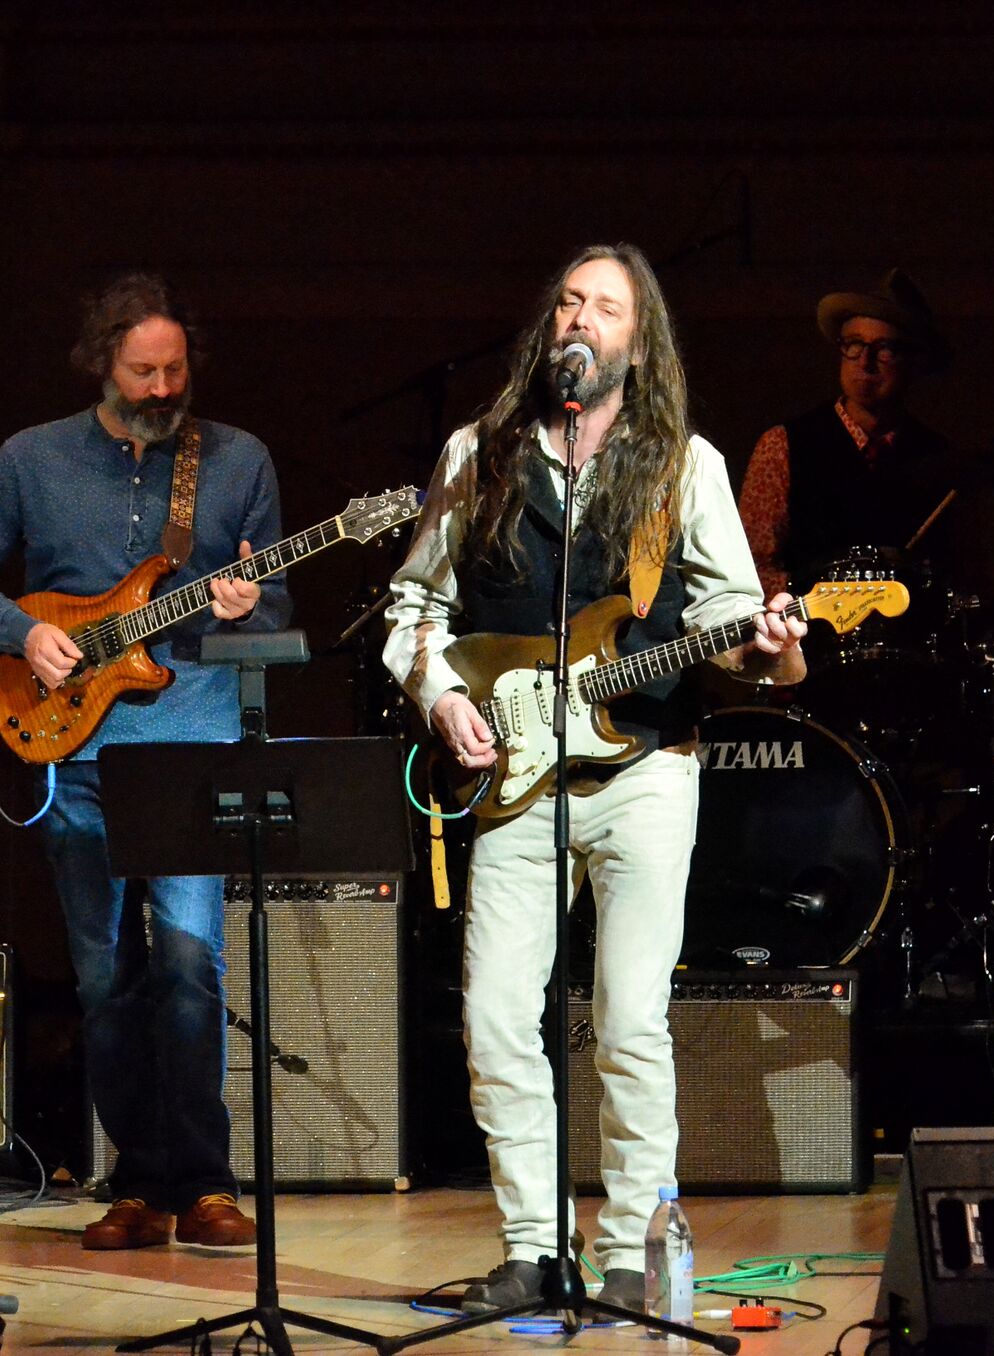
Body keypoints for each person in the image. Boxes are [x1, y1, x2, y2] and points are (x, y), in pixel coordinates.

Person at [383, 244, 806, 1312]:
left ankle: (628, 1253)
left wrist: (756, 642)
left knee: (626, 1023)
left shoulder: (683, 464)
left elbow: (720, 614)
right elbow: (412, 611)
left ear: (637, 337)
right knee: (492, 1020)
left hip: (644, 772)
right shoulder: (477, 451)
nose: (581, 318)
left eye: (604, 307)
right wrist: (439, 697)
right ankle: (531, 1246)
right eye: (568, 300)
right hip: (517, 778)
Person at [0, 272, 292, 1251]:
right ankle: (137, 1181)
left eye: (175, 369)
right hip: (73, 746)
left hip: (191, 744)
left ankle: (205, 1183)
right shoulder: (30, 458)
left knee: (188, 965)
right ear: (104, 364)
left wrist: (244, 605)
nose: (163, 385)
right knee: (104, 980)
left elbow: (281, 612)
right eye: (143, 370)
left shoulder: (236, 460)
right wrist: (21, 634)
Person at [738, 267, 960, 598]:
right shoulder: (783, 444)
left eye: (885, 348)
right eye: (855, 344)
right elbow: (749, 566)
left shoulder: (936, 455)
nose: (865, 361)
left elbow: (956, 570)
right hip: (807, 638)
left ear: (914, 361)